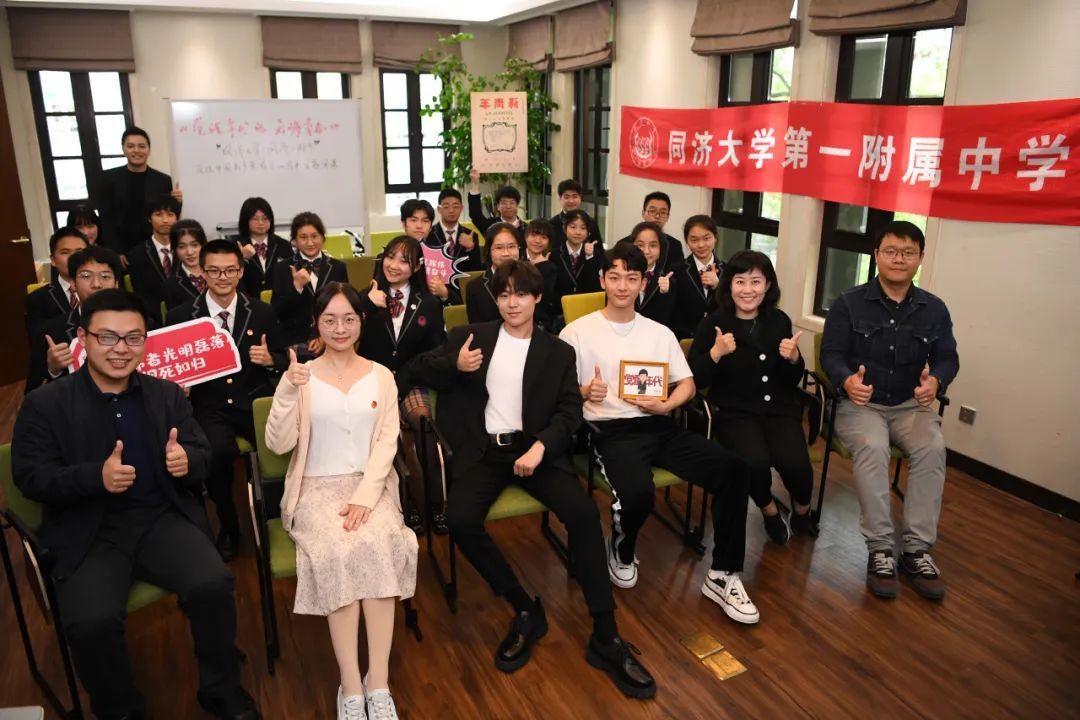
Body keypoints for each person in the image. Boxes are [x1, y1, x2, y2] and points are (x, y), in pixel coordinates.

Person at [402, 261, 657, 699]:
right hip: (483, 453)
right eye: (504, 295)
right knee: (460, 521)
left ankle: (606, 634)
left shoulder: (557, 351)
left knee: (582, 513)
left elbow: (569, 412)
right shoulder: (470, 336)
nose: (512, 303)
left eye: (521, 294)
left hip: (534, 451)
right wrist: (454, 365)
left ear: (538, 298)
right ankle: (524, 608)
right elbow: (413, 372)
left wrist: (541, 447)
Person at [12, 289, 259, 720]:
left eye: (133, 338)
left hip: (161, 517)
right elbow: (29, 476)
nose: (121, 349)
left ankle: (220, 689)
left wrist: (187, 462)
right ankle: (120, 710)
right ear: (83, 339)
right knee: (90, 623)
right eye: (107, 337)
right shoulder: (45, 403)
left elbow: (203, 453)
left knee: (213, 583)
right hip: (89, 531)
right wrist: (95, 477)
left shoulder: (166, 394)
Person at [559, 242, 757, 625]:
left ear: (643, 282)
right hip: (610, 430)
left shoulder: (659, 333)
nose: (622, 286)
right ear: (602, 280)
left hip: (660, 425)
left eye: (631, 278)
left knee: (734, 469)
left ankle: (723, 573)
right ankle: (622, 546)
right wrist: (584, 392)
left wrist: (667, 405)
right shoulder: (576, 333)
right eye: (614, 277)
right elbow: (558, 393)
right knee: (638, 494)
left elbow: (687, 384)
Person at [265, 283, 417, 720]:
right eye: (329, 320)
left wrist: (366, 496)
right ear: (316, 323)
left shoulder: (381, 375)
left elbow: (387, 441)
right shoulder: (301, 375)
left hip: (370, 485)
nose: (339, 328)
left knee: (382, 543)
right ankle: (350, 687)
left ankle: (378, 684)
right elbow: (277, 444)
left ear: (361, 322)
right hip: (315, 488)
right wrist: (288, 390)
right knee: (337, 551)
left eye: (349, 319)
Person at [820, 220, 958, 601]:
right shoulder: (849, 303)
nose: (899, 259)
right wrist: (847, 379)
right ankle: (880, 548)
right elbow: (830, 354)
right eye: (892, 251)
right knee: (873, 447)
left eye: (908, 252)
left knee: (933, 448)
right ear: (876, 255)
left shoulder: (934, 309)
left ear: (920, 258)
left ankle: (916, 550)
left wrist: (936, 381)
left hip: (910, 405)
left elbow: (947, 357)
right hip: (861, 404)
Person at [166, 239, 287, 561]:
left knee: (281, 446)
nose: (223, 277)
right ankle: (230, 526)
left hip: (254, 400)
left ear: (241, 271)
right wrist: (179, 388)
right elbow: (169, 373)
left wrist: (270, 360)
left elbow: (283, 356)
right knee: (215, 453)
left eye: (230, 270)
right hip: (209, 404)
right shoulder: (182, 316)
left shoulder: (261, 310)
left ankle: (279, 517)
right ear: (202, 272)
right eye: (215, 271)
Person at [687, 250, 814, 544]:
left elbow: (790, 379)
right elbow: (695, 379)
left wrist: (794, 359)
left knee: (796, 463)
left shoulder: (779, 320)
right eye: (740, 281)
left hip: (779, 410)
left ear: (767, 285)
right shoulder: (713, 323)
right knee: (754, 462)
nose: (748, 290)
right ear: (729, 285)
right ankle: (769, 510)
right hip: (735, 413)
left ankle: (802, 511)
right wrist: (715, 353)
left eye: (755, 282)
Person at [356, 236, 447, 533]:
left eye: (404, 260)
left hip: (411, 380)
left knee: (423, 421)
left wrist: (405, 378)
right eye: (390, 257)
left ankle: (436, 505)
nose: (394, 265)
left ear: (416, 267)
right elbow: (346, 334)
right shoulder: (366, 297)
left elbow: (436, 350)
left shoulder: (429, 303)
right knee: (388, 436)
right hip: (374, 383)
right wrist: (367, 306)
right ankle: (406, 505)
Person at [26, 245, 123, 394]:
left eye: (105, 276)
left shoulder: (142, 325)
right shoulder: (50, 333)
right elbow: (31, 393)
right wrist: (53, 370)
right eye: (86, 276)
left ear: (116, 284)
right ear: (72, 283)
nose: (96, 284)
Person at [92, 126, 182, 259]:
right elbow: (106, 219)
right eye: (130, 146)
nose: (136, 150)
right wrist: (115, 252)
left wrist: (177, 201)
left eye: (142, 146)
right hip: (121, 249)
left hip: (154, 248)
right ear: (123, 149)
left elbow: (169, 216)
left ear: (149, 150)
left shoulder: (163, 180)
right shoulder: (108, 179)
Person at [271, 211, 349, 347]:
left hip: (332, 338)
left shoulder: (338, 267)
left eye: (314, 236)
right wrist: (297, 287)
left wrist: (324, 338)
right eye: (303, 237)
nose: (310, 242)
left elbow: (345, 307)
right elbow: (277, 311)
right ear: (294, 241)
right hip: (295, 341)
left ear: (323, 238)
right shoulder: (282, 268)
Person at [25, 227, 88, 333]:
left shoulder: (103, 290)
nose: (73, 257)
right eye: (65, 252)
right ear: (53, 260)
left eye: (80, 251)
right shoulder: (37, 299)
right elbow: (38, 337)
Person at [127, 194, 181, 313]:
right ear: (149, 218)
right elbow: (140, 295)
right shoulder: (136, 255)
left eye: (170, 214)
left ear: (177, 218)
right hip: (153, 317)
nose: (165, 220)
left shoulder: (185, 250)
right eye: (158, 214)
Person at [399, 198, 459, 305]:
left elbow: (458, 300)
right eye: (413, 220)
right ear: (404, 224)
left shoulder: (442, 257)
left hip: (432, 311)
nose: (419, 226)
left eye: (425, 221)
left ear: (431, 226)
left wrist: (444, 293)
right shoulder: (389, 257)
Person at [673, 215, 724, 339]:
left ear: (715, 238)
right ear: (687, 241)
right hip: (685, 339)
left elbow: (732, 307)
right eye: (694, 240)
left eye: (706, 238)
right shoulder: (677, 270)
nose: (701, 245)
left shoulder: (728, 270)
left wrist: (718, 285)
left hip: (718, 338)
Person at [465, 223, 526, 325]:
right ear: (488, 251)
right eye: (499, 248)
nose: (506, 253)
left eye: (511, 246)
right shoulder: (474, 287)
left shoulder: (530, 279)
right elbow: (477, 327)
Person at [615, 192, 685, 276]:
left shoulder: (675, 245)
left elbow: (679, 277)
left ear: (668, 216)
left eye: (663, 212)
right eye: (652, 211)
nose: (657, 216)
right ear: (643, 213)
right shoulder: (623, 244)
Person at [550, 208, 604, 314]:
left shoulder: (596, 255)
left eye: (583, 228)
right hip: (560, 312)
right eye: (573, 227)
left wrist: (589, 257)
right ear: (565, 229)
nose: (578, 232)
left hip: (587, 311)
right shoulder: (554, 254)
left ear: (588, 232)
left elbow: (595, 286)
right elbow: (552, 288)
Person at [235, 197, 291, 298]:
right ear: (245, 220)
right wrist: (241, 258)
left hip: (279, 302)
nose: (261, 223)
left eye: (265, 218)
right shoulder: (235, 246)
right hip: (247, 302)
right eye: (255, 218)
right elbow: (229, 277)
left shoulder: (284, 245)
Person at [630, 222, 677, 331]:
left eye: (653, 245)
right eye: (640, 245)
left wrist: (665, 293)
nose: (646, 251)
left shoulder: (668, 280)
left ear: (661, 248)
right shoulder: (622, 276)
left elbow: (669, 320)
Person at [428, 188, 481, 272]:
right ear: (439, 209)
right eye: (446, 207)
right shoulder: (429, 234)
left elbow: (477, 269)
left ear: (461, 208)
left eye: (456, 206)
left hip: (463, 280)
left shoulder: (471, 235)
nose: (451, 210)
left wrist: (471, 248)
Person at [162, 219, 209, 312]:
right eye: (182, 247)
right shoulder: (170, 286)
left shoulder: (219, 273)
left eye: (194, 245)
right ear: (174, 250)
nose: (189, 252)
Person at [468, 167, 525, 243]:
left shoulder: (527, 228)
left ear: (517, 205)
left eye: (512, 202)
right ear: (498, 206)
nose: (508, 206)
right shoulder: (491, 226)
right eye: (504, 203)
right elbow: (476, 215)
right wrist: (475, 184)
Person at [523, 219, 560, 328]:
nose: (538, 241)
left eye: (543, 237)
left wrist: (542, 266)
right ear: (526, 236)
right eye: (534, 235)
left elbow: (544, 299)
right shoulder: (515, 257)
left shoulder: (551, 268)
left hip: (537, 320)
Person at [548, 179, 603, 247]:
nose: (571, 201)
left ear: (580, 198)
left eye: (574, 196)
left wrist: (590, 252)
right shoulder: (552, 224)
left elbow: (599, 249)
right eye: (567, 197)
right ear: (560, 198)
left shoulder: (590, 222)